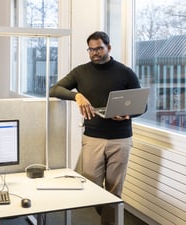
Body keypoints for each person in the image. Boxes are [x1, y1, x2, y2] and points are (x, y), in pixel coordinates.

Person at [49, 31, 144, 225]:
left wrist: (128, 114)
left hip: (120, 139)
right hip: (93, 138)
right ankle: (107, 214)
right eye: (91, 49)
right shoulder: (81, 72)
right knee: (92, 186)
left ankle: (109, 223)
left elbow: (142, 105)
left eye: (99, 48)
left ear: (109, 48)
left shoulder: (125, 72)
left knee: (114, 189)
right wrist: (77, 96)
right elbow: (55, 89)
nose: (95, 53)